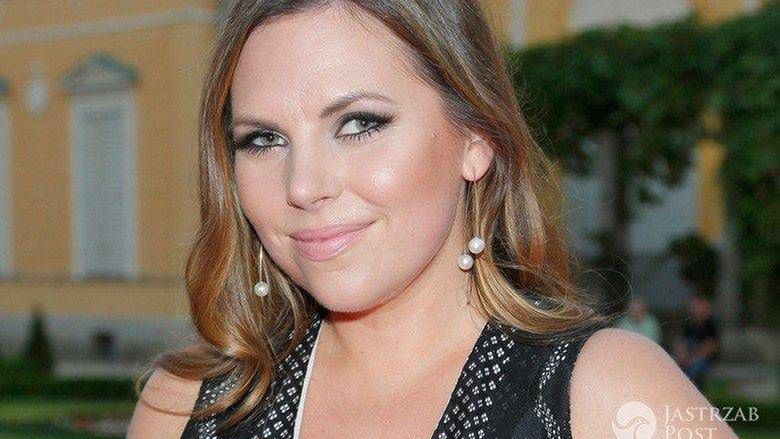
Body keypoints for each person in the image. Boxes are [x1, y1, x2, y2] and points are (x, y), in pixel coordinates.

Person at [127, 1, 737, 438]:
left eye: (359, 124)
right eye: (263, 139)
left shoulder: (604, 395)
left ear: (476, 138)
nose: (303, 187)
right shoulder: (186, 408)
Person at [673, 294, 721, 391]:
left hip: (705, 360)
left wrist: (691, 358)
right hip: (688, 357)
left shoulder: (711, 325)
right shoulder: (689, 324)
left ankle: (688, 390)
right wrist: (682, 355)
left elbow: (710, 347)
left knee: (695, 367)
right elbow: (682, 342)